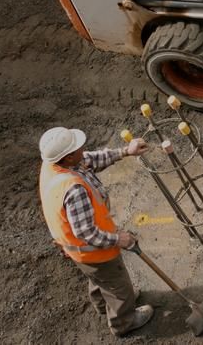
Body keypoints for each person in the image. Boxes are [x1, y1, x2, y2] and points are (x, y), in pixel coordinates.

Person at [38, 126, 154, 338]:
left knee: (97, 278)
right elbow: (87, 233)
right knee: (118, 285)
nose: (83, 148)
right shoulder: (74, 189)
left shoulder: (54, 165)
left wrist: (126, 151)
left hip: (78, 251)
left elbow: (90, 160)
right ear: (69, 156)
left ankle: (103, 304)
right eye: (77, 147)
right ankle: (123, 321)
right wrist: (118, 239)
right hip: (94, 250)